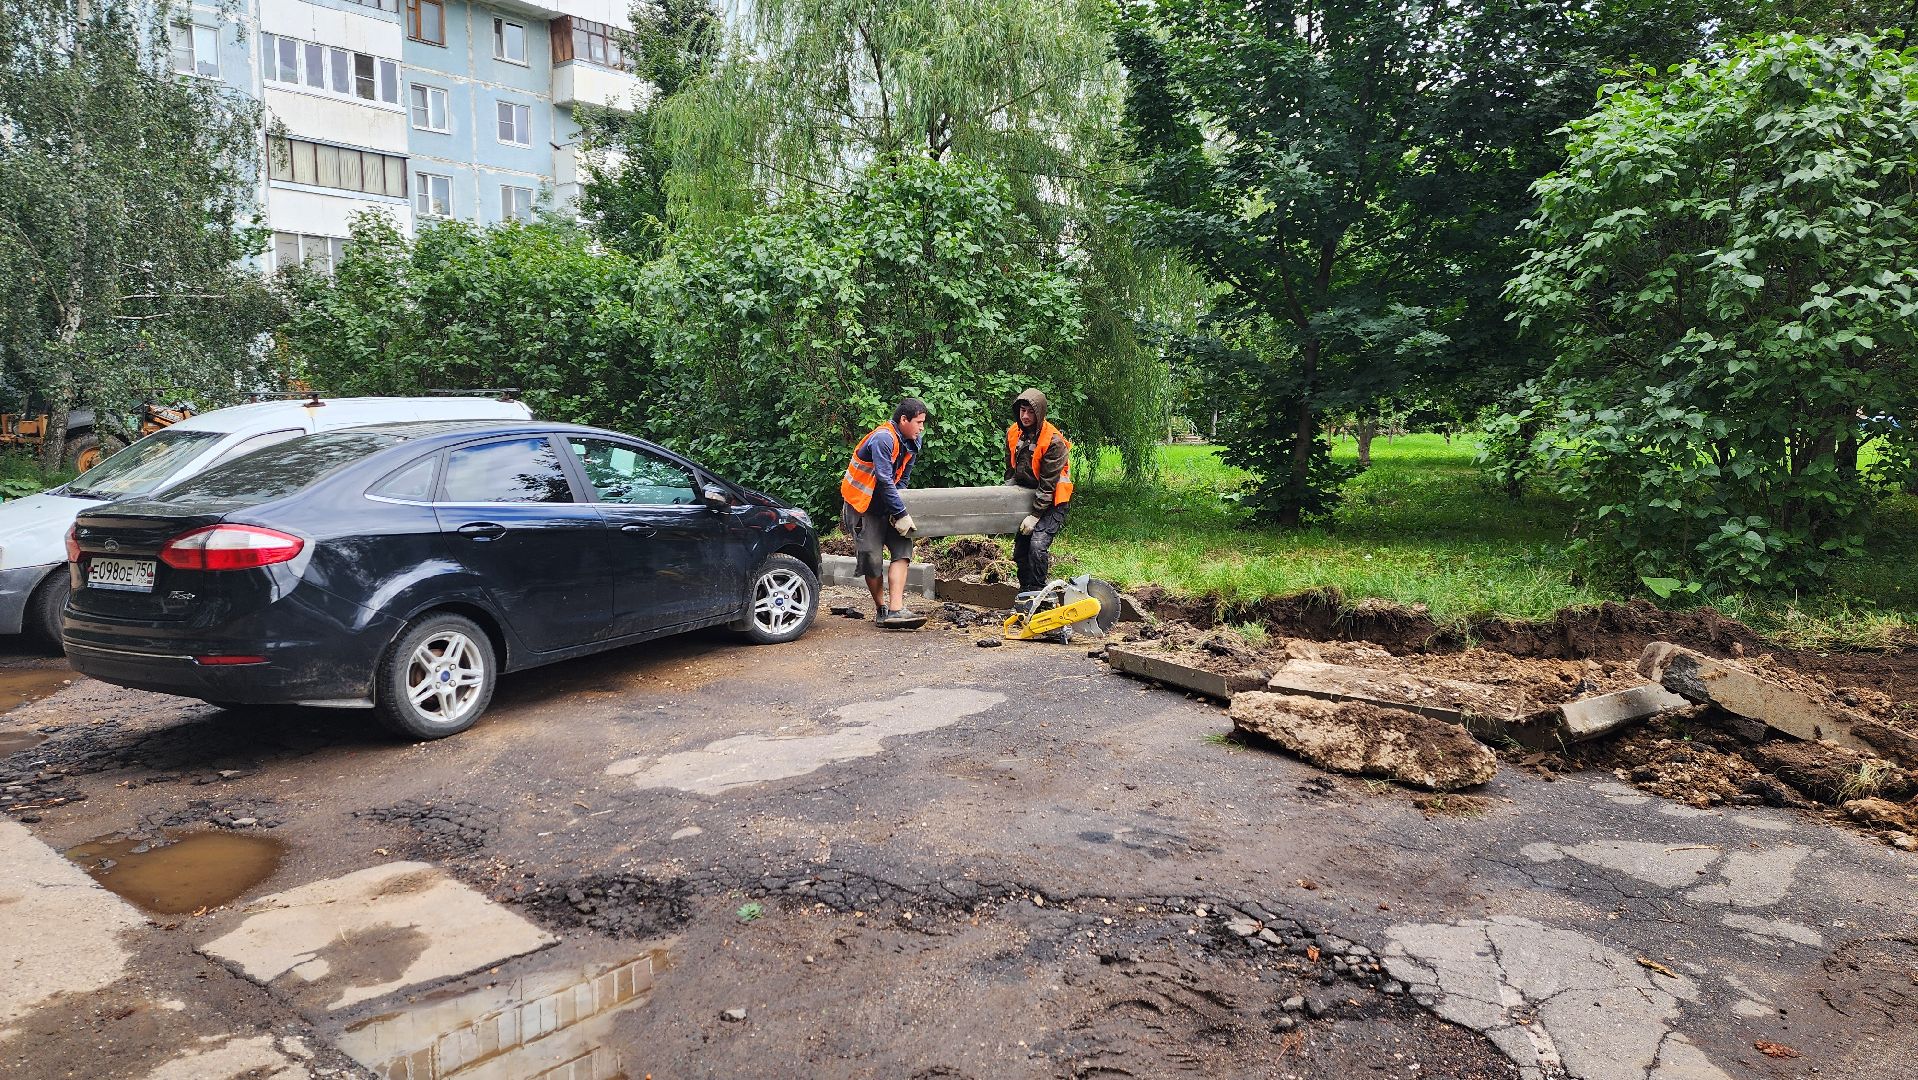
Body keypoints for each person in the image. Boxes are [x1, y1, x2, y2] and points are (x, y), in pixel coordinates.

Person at [840, 398, 929, 628]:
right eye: (918, 423)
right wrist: (900, 512)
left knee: (902, 549)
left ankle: (896, 609)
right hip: (863, 506)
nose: (921, 428)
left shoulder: (912, 442)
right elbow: (883, 479)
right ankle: (881, 609)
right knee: (872, 559)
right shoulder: (883, 439)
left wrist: (896, 509)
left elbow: (902, 479)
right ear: (903, 420)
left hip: (887, 504)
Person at [1005, 388, 1073, 592]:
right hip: (1027, 497)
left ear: (1040, 413)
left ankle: (1038, 595)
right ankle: (1025, 593)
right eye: (1022, 410)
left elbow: (1048, 484)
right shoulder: (1013, 433)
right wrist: (1007, 499)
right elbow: (1010, 470)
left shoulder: (1054, 441)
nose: (1025, 416)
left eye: (1030, 412)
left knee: (1037, 546)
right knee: (1021, 550)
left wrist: (1035, 515)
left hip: (1053, 501)